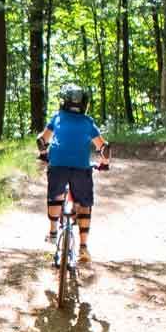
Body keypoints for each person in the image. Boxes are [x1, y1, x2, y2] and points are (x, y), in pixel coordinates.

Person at [36, 85, 110, 264]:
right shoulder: (87, 122)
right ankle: (83, 247)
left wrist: (44, 154)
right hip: (81, 167)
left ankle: (53, 232)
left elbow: (41, 140)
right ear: (84, 104)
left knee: (55, 196)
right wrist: (105, 163)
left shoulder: (57, 117)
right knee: (84, 204)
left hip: (58, 164)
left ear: (64, 101)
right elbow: (104, 147)